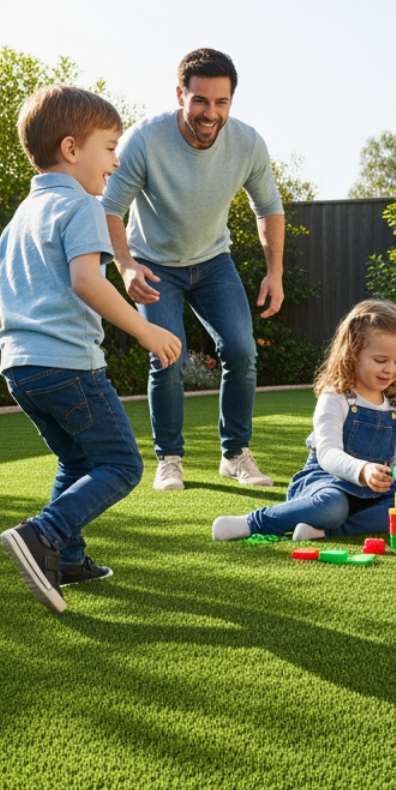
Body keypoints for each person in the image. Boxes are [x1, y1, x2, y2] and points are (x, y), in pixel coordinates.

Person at [0, 85, 182, 614]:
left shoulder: (21, 217)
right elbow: (86, 281)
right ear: (72, 149)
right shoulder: (81, 206)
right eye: (110, 147)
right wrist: (147, 331)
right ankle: (43, 534)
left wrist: (19, 345)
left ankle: (68, 558)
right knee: (120, 464)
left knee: (76, 460)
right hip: (69, 366)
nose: (116, 161)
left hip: (22, 368)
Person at [101, 47, 284, 492]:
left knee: (242, 351)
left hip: (213, 262)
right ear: (180, 94)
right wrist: (125, 267)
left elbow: (269, 208)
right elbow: (109, 209)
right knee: (168, 356)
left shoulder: (247, 143)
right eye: (200, 100)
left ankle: (235, 453)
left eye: (221, 102)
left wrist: (273, 271)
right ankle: (169, 459)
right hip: (154, 265)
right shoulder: (145, 140)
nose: (210, 112)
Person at [211, 299, 396, 542]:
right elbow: (327, 454)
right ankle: (253, 522)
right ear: (353, 353)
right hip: (327, 482)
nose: (390, 369)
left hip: (374, 491)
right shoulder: (335, 396)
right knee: (332, 506)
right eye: (381, 360)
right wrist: (362, 469)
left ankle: (324, 531)